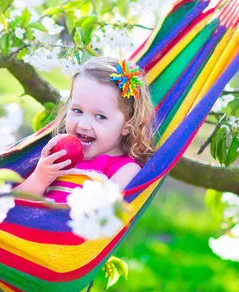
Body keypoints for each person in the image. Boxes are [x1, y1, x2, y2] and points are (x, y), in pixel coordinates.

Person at [14, 57, 155, 202]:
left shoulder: (124, 170)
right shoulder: (57, 156)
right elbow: (8, 206)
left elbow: (107, 217)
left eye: (100, 116)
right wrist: (40, 178)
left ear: (126, 126)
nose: (83, 124)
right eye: (77, 110)